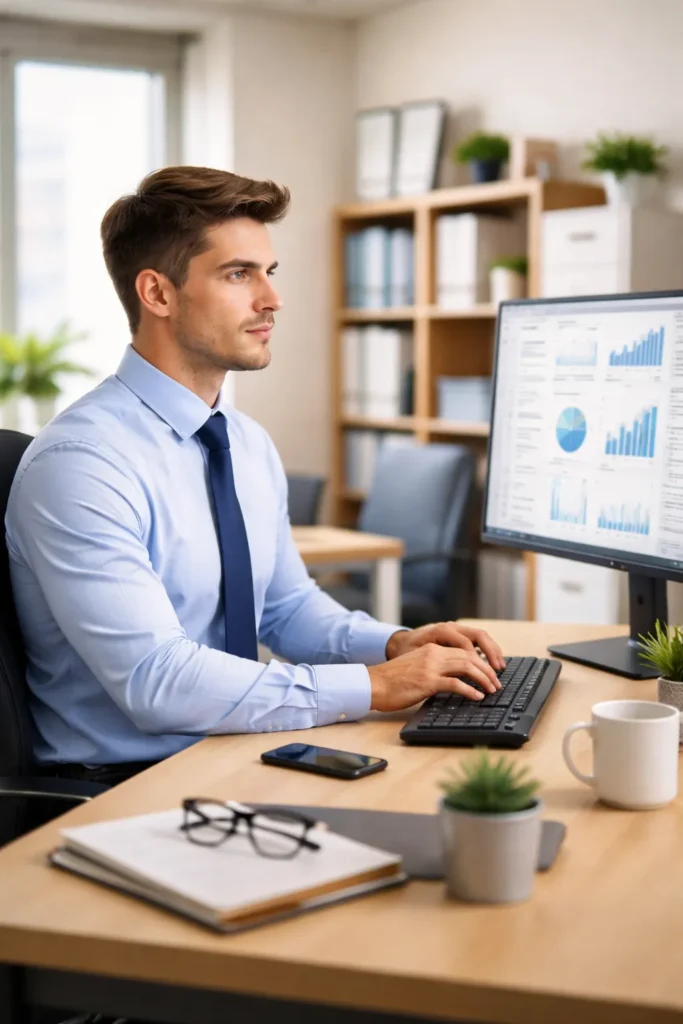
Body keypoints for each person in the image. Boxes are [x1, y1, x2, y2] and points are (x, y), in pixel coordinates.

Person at [5, 166, 504, 788]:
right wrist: (373, 686)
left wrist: (392, 646)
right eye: (239, 274)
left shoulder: (243, 441)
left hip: (235, 754)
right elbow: (155, 682)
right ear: (157, 294)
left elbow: (286, 610)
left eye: (269, 273)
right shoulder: (83, 463)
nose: (272, 299)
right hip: (122, 784)